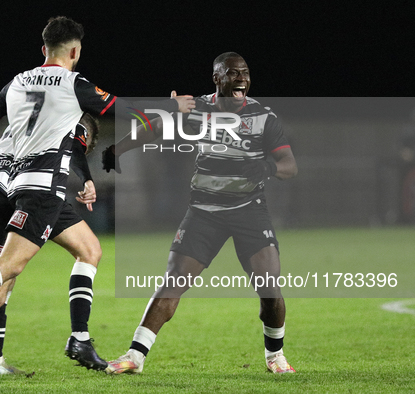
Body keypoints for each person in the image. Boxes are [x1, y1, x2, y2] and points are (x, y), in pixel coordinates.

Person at [0, 15, 195, 378]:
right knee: (10, 266)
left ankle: (40, 349)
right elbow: (123, 110)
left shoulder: (18, 81)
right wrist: (171, 107)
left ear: (43, 49)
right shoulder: (73, 83)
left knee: (88, 249)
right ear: (75, 51)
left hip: (1, 181)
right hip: (39, 185)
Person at [103, 52, 298, 374]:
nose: (241, 78)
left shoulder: (264, 117)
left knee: (269, 289)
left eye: (245, 73)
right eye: (232, 73)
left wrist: (265, 166)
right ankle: (134, 356)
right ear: (216, 78)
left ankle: (275, 356)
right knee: (172, 282)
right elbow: (153, 128)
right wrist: (116, 149)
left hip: (249, 211)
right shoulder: (196, 109)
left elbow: (290, 167)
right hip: (204, 212)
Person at [0, 114, 100, 377]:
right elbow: (76, 140)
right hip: (34, 193)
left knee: (1, 283)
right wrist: (86, 178)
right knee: (88, 251)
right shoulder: (71, 115)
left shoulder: (25, 111)